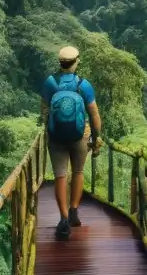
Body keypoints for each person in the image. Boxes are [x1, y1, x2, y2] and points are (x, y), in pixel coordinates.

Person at [41, 45, 101, 240]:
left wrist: (50, 129)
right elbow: (94, 114)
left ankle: (63, 219)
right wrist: (96, 136)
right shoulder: (83, 85)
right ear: (76, 62)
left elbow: (44, 112)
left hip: (56, 136)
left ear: (60, 63)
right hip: (80, 135)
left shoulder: (50, 82)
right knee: (78, 172)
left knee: (60, 175)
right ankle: (74, 210)